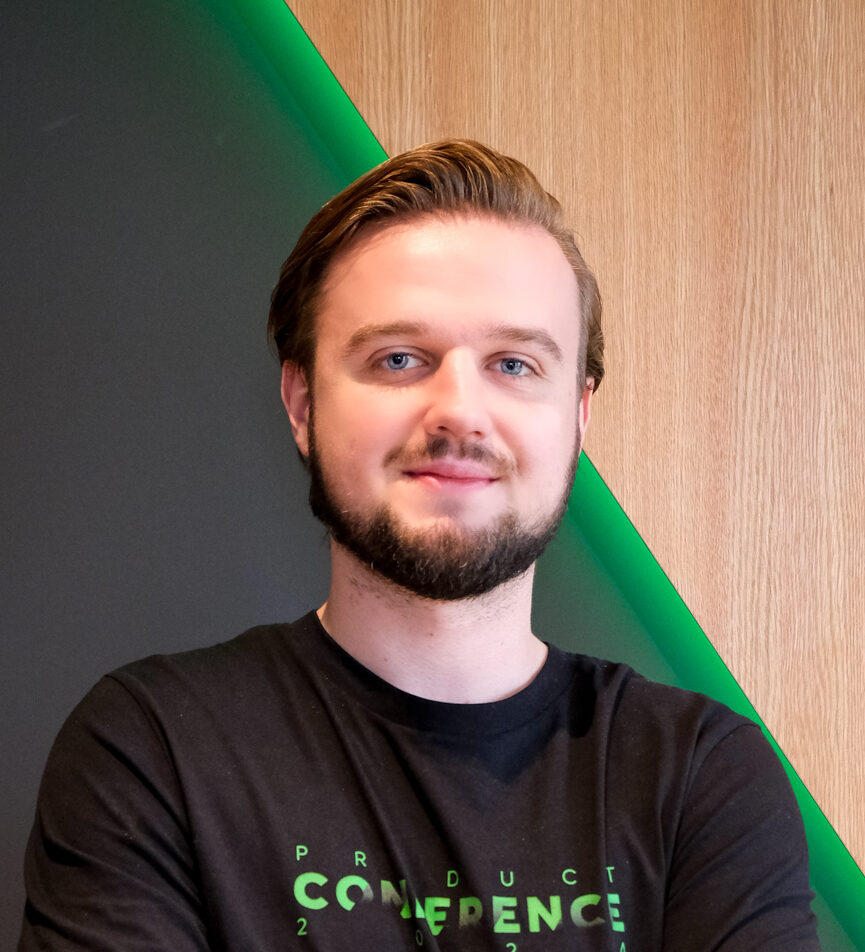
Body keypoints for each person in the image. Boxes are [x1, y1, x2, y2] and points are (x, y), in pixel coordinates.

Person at [19, 140, 819, 950]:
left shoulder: (700, 779)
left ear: (577, 416)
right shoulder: (155, 750)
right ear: (302, 403)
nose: (459, 411)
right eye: (398, 359)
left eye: (514, 364)